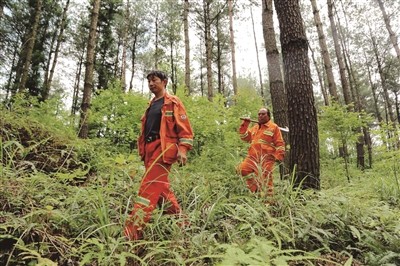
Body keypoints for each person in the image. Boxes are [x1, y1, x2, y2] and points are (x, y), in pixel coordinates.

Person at [124, 70, 194, 241]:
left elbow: (185, 129)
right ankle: (182, 223)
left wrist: (183, 149)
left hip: (163, 150)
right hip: (149, 150)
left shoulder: (173, 102)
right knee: (162, 190)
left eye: (154, 80)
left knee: (148, 189)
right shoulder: (151, 104)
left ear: (164, 82)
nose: (151, 84)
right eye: (149, 81)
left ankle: (131, 233)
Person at [237, 107, 285, 198]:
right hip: (252, 157)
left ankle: (269, 202)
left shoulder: (274, 127)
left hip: (267, 158)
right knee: (241, 170)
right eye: (259, 114)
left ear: (268, 116)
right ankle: (256, 190)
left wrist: (279, 156)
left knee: (266, 180)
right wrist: (245, 124)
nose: (260, 116)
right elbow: (244, 137)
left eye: (263, 114)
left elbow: (280, 143)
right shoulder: (255, 128)